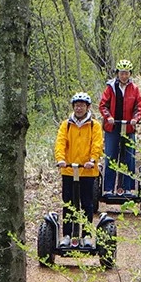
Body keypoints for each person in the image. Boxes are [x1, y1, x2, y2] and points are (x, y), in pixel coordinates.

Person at [54, 92, 104, 248]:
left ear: (87, 107)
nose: (79, 108)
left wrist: (93, 160)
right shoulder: (66, 124)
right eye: (76, 105)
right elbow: (60, 143)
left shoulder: (94, 125)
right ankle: (68, 235)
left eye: (82, 105)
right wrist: (60, 159)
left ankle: (87, 235)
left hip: (87, 171)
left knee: (87, 204)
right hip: (69, 171)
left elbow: (97, 144)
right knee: (68, 204)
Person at [98, 60, 141, 196]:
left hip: (128, 127)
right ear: (117, 73)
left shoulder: (134, 89)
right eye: (122, 73)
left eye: (126, 73)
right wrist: (108, 116)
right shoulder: (110, 87)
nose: (124, 76)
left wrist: (136, 119)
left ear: (130, 74)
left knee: (129, 156)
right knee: (111, 156)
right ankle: (108, 189)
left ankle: (127, 188)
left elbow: (139, 106)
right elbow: (103, 105)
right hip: (113, 127)